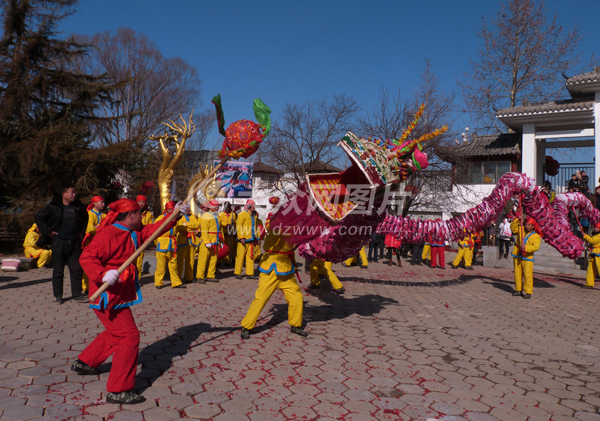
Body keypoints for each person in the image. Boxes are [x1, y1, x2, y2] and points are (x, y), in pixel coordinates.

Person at [73, 198, 183, 404]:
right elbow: (87, 257)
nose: (142, 217)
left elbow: (154, 230)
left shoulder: (135, 232)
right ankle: (119, 389)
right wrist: (103, 273)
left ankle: (86, 362)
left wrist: (175, 214)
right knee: (128, 336)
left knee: (117, 331)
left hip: (120, 292)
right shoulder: (108, 234)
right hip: (107, 294)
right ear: (130, 215)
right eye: (139, 214)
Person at [240, 232, 307, 339]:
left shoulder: (294, 227)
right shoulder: (275, 224)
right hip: (271, 270)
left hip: (286, 270)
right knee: (261, 299)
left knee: (297, 297)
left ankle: (295, 325)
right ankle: (246, 326)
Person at [35, 187, 89, 304]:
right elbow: (39, 217)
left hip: (74, 241)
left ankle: (77, 295)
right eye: (72, 192)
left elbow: (85, 219)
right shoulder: (54, 206)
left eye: (75, 192)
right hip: (59, 241)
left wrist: (81, 232)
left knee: (76, 269)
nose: (74, 195)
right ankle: (58, 296)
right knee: (58, 270)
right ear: (64, 194)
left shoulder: (79, 207)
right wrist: (48, 231)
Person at [154, 201, 186, 289]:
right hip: (162, 243)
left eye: (173, 209)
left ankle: (176, 282)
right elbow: (155, 231)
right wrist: (158, 243)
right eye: (170, 209)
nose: (172, 210)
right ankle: (159, 282)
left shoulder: (175, 219)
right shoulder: (160, 218)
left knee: (173, 265)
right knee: (161, 265)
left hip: (172, 244)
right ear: (166, 209)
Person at [510, 215, 541, 299]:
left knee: (527, 275)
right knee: (517, 273)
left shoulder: (536, 236)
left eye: (529, 225)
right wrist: (517, 220)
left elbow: (535, 247)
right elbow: (513, 228)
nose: (527, 226)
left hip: (527, 257)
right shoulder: (521, 230)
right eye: (526, 224)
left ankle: (527, 292)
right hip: (517, 254)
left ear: (533, 226)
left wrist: (526, 248)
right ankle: (518, 290)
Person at [82, 196, 107, 293]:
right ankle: (86, 287)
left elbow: (108, 226)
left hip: (102, 243)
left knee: (101, 264)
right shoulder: (90, 214)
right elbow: (90, 229)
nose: (103, 204)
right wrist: (101, 227)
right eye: (101, 202)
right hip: (90, 243)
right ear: (95, 204)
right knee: (89, 264)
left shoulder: (104, 214)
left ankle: (100, 283)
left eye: (104, 202)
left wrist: (98, 226)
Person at [197, 200, 221, 283]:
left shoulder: (217, 216)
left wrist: (219, 240)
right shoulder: (206, 216)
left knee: (213, 259)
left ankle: (211, 275)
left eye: (218, 206)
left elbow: (218, 229)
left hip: (215, 240)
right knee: (203, 259)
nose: (217, 208)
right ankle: (200, 276)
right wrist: (207, 241)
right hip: (206, 241)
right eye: (216, 206)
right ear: (211, 207)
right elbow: (204, 230)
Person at [234, 199, 258, 279]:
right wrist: (241, 237)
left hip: (251, 239)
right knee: (240, 256)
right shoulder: (242, 214)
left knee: (250, 257)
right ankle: (237, 273)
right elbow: (239, 227)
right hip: (243, 240)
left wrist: (257, 237)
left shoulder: (253, 215)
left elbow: (255, 227)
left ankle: (250, 273)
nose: (254, 206)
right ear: (249, 206)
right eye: (253, 205)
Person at [177, 207, 199, 283]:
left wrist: (186, 224)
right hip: (182, 241)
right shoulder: (180, 216)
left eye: (188, 208)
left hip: (192, 241)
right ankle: (178, 278)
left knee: (191, 261)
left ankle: (189, 278)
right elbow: (180, 227)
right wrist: (191, 227)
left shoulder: (193, 216)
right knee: (180, 261)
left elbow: (197, 225)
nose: (187, 210)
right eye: (186, 209)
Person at [135, 195, 154, 276]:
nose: (141, 204)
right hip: (133, 237)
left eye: (142, 202)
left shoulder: (148, 214)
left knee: (139, 260)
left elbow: (150, 226)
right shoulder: (132, 212)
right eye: (139, 202)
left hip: (142, 239)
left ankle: (137, 279)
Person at [218, 202, 236, 267]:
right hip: (223, 232)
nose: (228, 208)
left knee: (229, 247)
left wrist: (232, 223)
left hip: (230, 233)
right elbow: (221, 222)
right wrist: (226, 224)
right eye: (226, 207)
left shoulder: (233, 214)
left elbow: (233, 222)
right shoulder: (221, 214)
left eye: (229, 207)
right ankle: (219, 262)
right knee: (221, 247)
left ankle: (228, 261)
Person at [583, 222, 600, 289]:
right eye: (595, 227)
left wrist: (585, 236)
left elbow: (592, 241)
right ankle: (589, 284)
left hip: (598, 253)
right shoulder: (595, 234)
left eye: (596, 228)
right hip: (593, 252)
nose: (595, 229)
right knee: (590, 269)